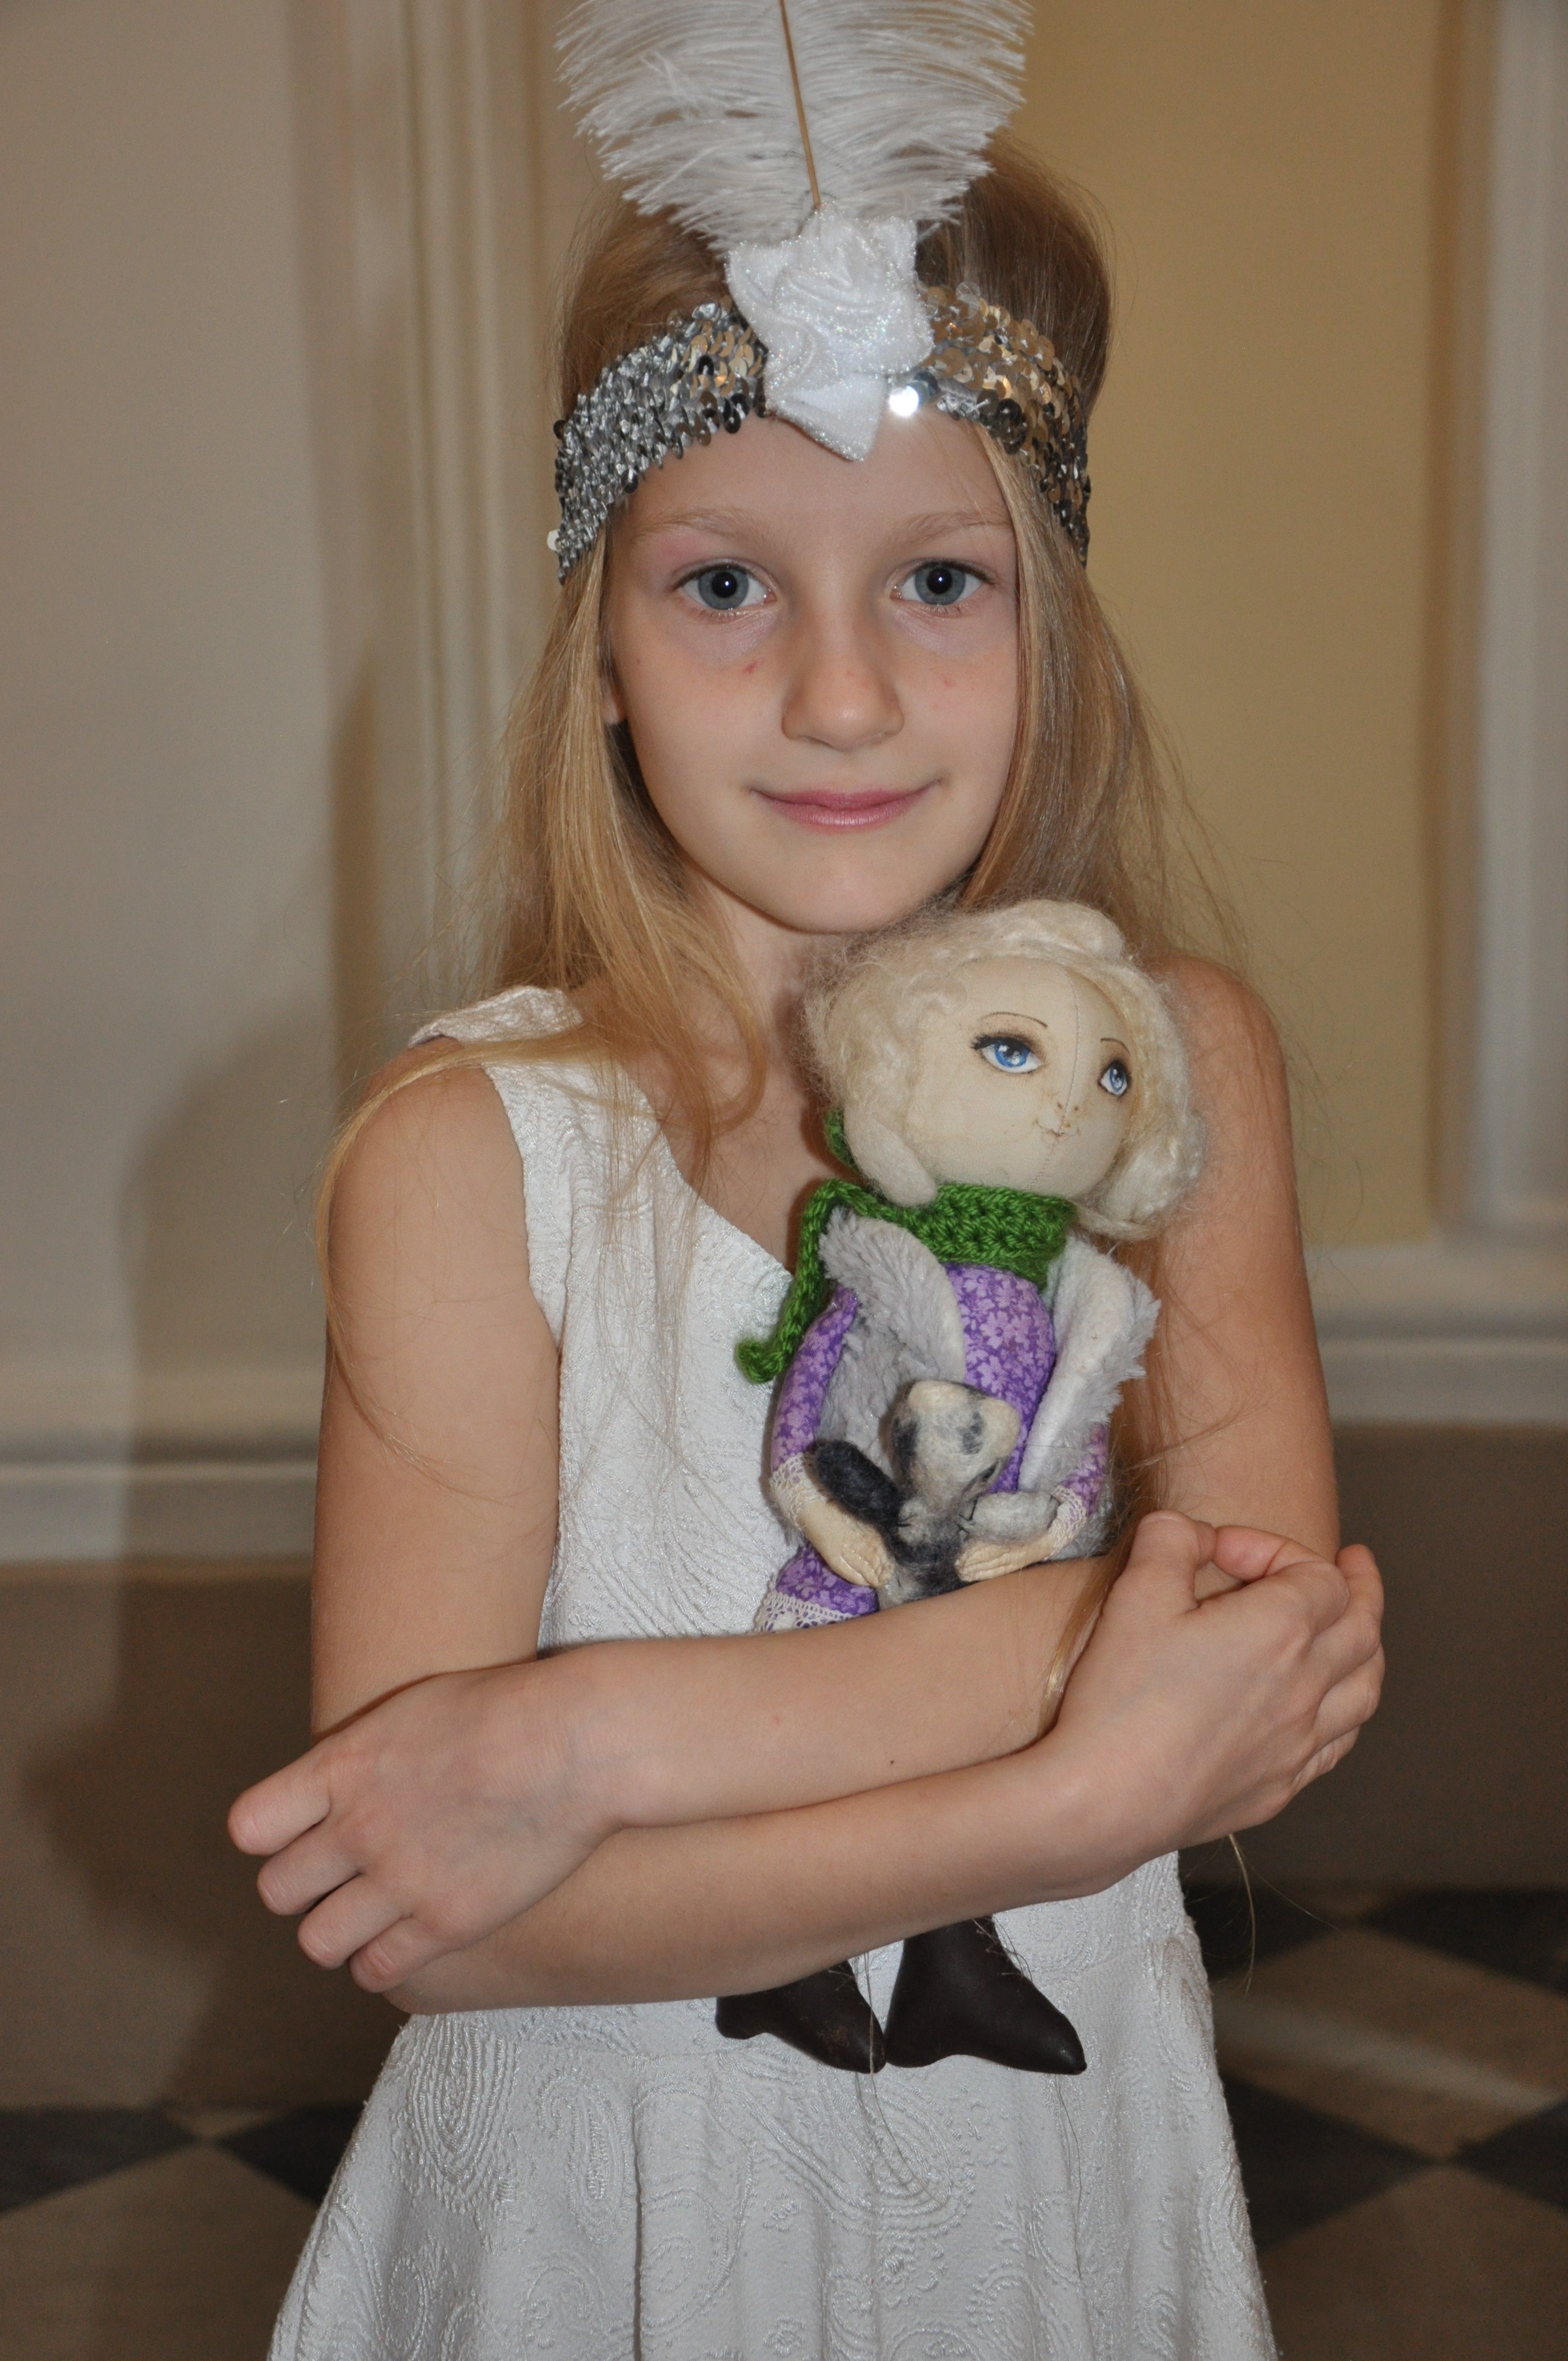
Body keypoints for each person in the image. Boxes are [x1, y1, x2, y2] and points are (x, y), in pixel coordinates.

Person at [230, 94, 1383, 2361]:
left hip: (1046, 2197)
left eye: (936, 584)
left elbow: (1259, 1651)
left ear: (1053, 623)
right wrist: (1066, 1794)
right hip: (609, 2215)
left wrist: (589, 1748)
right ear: (602, 646)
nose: (838, 694)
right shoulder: (475, 1154)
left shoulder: (1177, 1074)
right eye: (724, 584)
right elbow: (430, 1912)